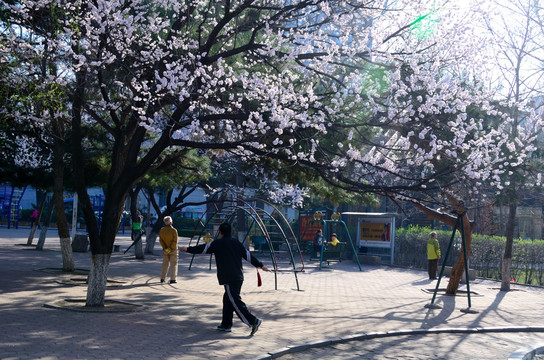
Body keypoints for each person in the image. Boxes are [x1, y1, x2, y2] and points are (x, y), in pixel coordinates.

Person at [178, 222, 269, 336]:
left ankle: (253, 321)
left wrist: (186, 249)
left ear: (220, 232)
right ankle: (226, 325)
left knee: (235, 301)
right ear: (231, 232)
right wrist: (261, 265)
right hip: (238, 277)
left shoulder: (218, 243)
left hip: (229, 277)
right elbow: (248, 256)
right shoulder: (236, 243)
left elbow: (202, 248)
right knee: (228, 300)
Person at [159, 216, 178, 284]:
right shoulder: (174, 230)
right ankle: (172, 279)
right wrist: (171, 248)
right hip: (173, 250)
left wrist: (165, 248)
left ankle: (162, 278)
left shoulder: (162, 230)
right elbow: (175, 241)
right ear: (171, 222)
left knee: (165, 264)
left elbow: (161, 240)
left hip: (165, 250)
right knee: (173, 264)